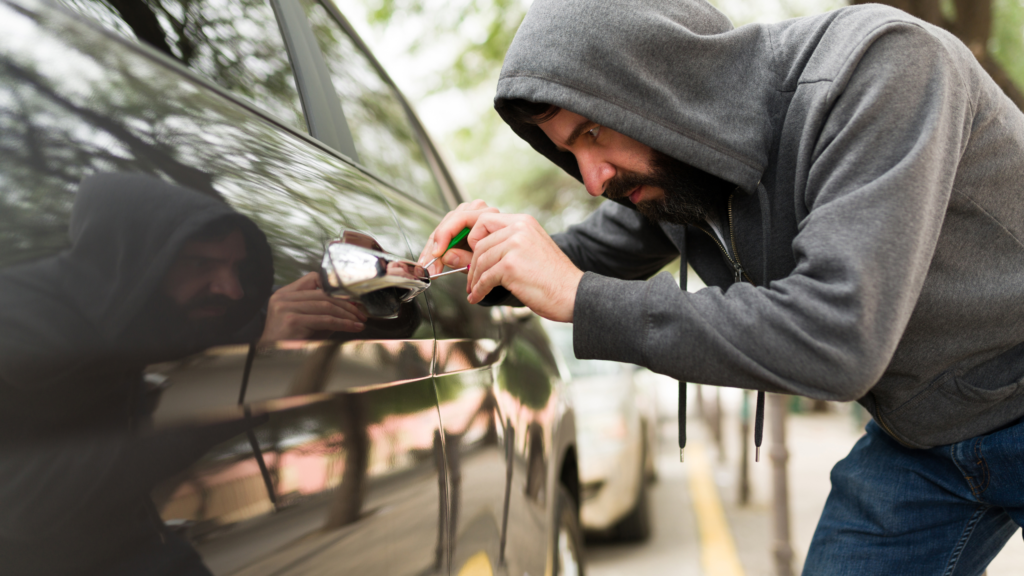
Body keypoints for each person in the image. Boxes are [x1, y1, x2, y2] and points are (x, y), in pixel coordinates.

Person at [418, 0, 1024, 573]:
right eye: (568, 155)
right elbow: (569, 260)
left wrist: (580, 297)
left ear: (656, 84)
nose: (592, 181)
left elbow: (836, 335)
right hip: (922, 439)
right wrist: (439, 272)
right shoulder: (685, 177)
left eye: (592, 134)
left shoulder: (883, 67)